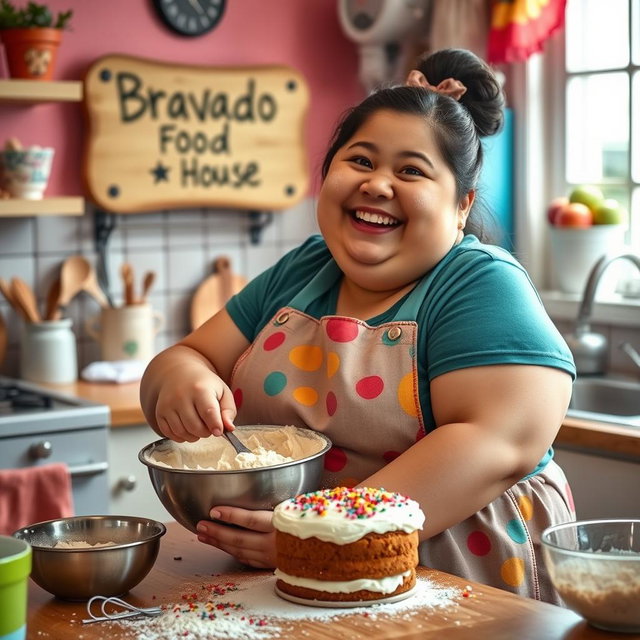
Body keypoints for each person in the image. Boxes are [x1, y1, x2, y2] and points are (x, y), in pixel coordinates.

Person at [140, 48, 576, 605]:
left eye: (411, 171)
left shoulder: (478, 284)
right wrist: (179, 380)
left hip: (453, 572)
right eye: (361, 161)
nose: (377, 184)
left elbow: (497, 440)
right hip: (293, 575)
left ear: (461, 206)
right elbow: (188, 355)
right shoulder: (303, 269)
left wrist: (324, 535)